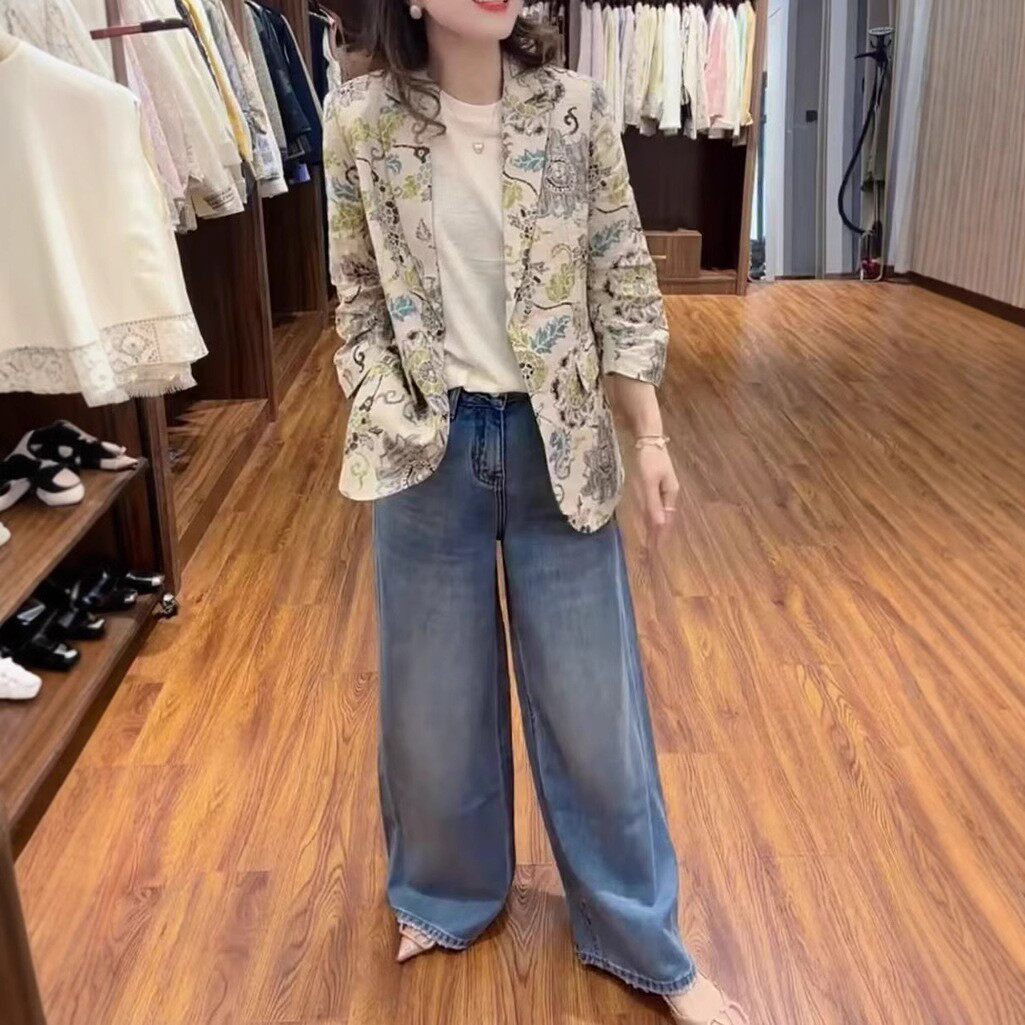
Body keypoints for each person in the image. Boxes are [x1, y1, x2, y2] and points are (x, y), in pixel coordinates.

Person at [322, 2, 747, 1022]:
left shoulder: (578, 110)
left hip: (558, 445)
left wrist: (648, 436)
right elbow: (358, 294)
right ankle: (442, 893)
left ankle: (642, 938)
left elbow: (620, 280)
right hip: (426, 450)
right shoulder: (357, 122)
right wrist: (384, 401)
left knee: (596, 713)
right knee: (432, 706)